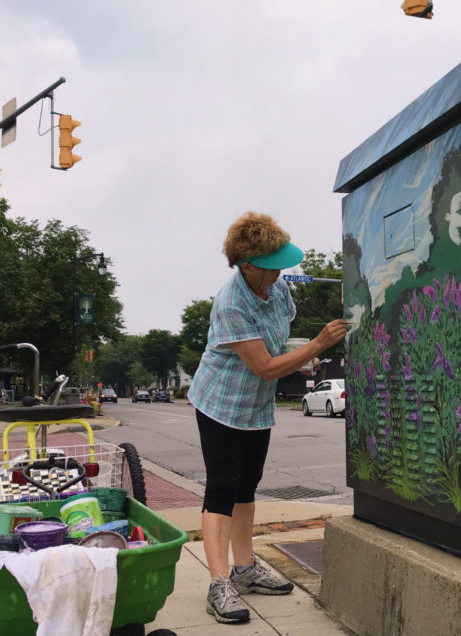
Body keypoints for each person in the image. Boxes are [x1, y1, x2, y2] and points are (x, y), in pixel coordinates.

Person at [187, 211, 348, 624]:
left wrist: (304, 358)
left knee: (247, 487)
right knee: (222, 489)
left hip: (256, 407)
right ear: (247, 266)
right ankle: (219, 582)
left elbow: (279, 342)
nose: (279, 273)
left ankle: (246, 568)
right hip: (221, 404)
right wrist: (316, 346)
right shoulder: (231, 304)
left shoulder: (277, 292)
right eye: (271, 266)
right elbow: (265, 366)